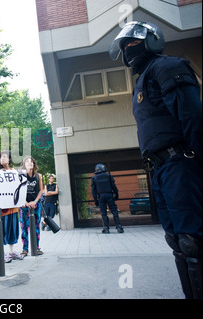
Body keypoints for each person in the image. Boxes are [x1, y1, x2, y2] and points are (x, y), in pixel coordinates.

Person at [109, 21, 202, 299]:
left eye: (134, 43)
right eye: (124, 46)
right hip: (161, 168)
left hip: (181, 164)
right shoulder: (143, 78)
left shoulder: (167, 67)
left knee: (192, 241)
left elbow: (193, 118)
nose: (128, 50)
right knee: (177, 241)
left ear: (152, 41)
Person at [0, 151, 22, 263]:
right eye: (1, 157)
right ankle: (4, 253)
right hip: (3, 209)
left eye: (5, 157)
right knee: (3, 230)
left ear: (9, 159)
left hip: (13, 207)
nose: (3, 159)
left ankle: (11, 252)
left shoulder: (14, 172)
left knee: (13, 230)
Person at [19, 156, 44, 257]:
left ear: (34, 164)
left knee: (36, 226)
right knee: (24, 227)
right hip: (24, 205)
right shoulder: (21, 175)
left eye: (31, 162)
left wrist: (35, 201)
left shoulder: (39, 176)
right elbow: (18, 190)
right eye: (27, 162)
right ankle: (25, 249)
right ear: (24, 164)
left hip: (35, 204)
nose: (30, 163)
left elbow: (41, 190)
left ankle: (36, 247)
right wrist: (24, 202)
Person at [91, 164, 124, 234]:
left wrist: (95, 200)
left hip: (101, 197)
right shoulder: (109, 176)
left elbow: (93, 191)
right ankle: (119, 227)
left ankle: (106, 228)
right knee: (114, 211)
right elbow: (114, 187)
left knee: (103, 213)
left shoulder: (94, 178)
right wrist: (116, 195)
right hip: (109, 195)